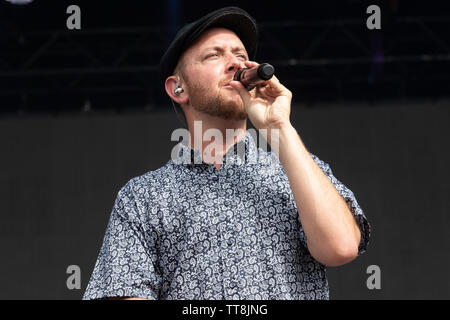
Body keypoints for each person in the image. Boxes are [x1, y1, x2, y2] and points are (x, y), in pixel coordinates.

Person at [83, 7, 370, 300]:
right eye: (214, 55)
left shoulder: (300, 170)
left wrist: (278, 126)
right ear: (178, 88)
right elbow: (123, 291)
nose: (235, 63)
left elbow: (341, 247)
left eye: (240, 54)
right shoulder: (142, 197)